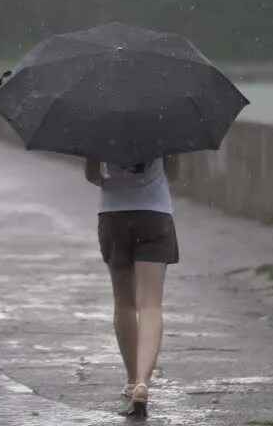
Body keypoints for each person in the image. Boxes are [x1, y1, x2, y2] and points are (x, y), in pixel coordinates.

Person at [85, 156, 180, 418]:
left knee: (124, 303)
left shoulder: (99, 122)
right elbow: (172, 174)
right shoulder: (165, 119)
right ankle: (143, 382)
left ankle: (130, 379)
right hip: (155, 214)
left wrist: (115, 182)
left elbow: (92, 175)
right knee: (150, 305)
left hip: (114, 214)